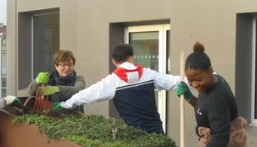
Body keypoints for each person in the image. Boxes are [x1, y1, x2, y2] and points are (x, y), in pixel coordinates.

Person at [54, 43, 185, 134]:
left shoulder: (111, 82)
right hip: (157, 131)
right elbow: (174, 81)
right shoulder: (149, 74)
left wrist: (65, 104)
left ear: (113, 61)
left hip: (134, 136)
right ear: (131, 57)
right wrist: (193, 82)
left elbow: (87, 95)